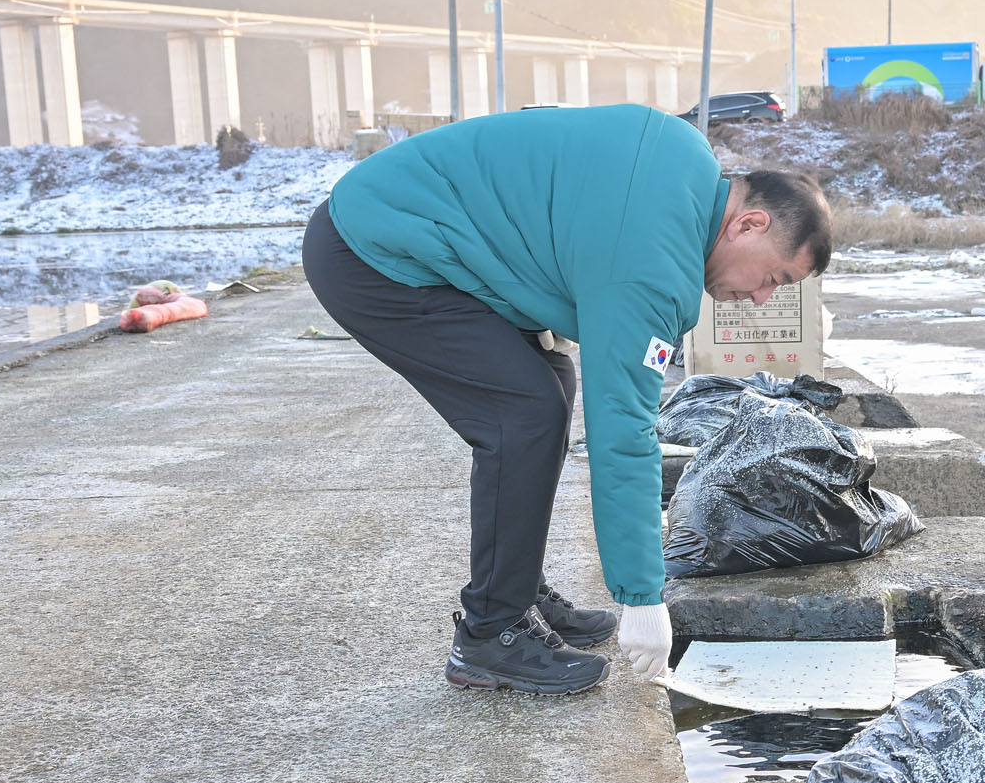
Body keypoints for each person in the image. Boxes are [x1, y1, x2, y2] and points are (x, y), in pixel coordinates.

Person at [302, 104, 831, 695]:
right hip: (373, 250)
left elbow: (552, 204)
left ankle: (516, 591)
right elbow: (623, 432)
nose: (761, 299)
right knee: (522, 413)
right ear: (749, 224)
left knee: (551, 382)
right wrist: (642, 595)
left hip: (409, 222)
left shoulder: (683, 158)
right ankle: (490, 633)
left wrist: (540, 307)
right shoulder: (653, 267)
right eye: (775, 279)